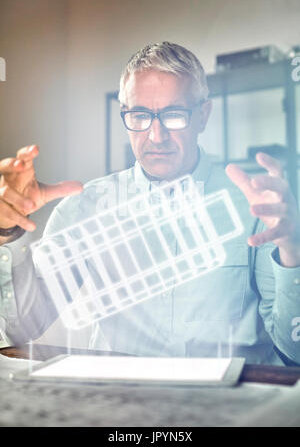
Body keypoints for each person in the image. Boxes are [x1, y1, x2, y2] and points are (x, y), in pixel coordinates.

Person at [1, 41, 300, 364]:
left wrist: (293, 249)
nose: (156, 136)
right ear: (124, 115)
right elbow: (21, 331)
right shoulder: (85, 207)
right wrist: (8, 231)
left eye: (173, 115)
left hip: (234, 404)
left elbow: (293, 350)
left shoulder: (254, 206)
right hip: (124, 406)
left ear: (203, 115)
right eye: (141, 116)